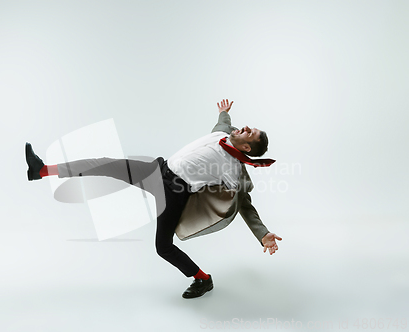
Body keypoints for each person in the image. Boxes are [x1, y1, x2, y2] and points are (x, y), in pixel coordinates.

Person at [25, 99, 282, 299]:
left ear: (247, 148)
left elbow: (245, 203)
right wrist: (224, 113)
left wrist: (262, 233)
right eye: (249, 127)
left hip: (174, 193)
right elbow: (223, 124)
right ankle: (42, 170)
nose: (246, 128)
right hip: (157, 170)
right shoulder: (222, 135)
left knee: (163, 247)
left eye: (250, 133)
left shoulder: (233, 168)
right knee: (104, 164)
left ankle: (203, 279)